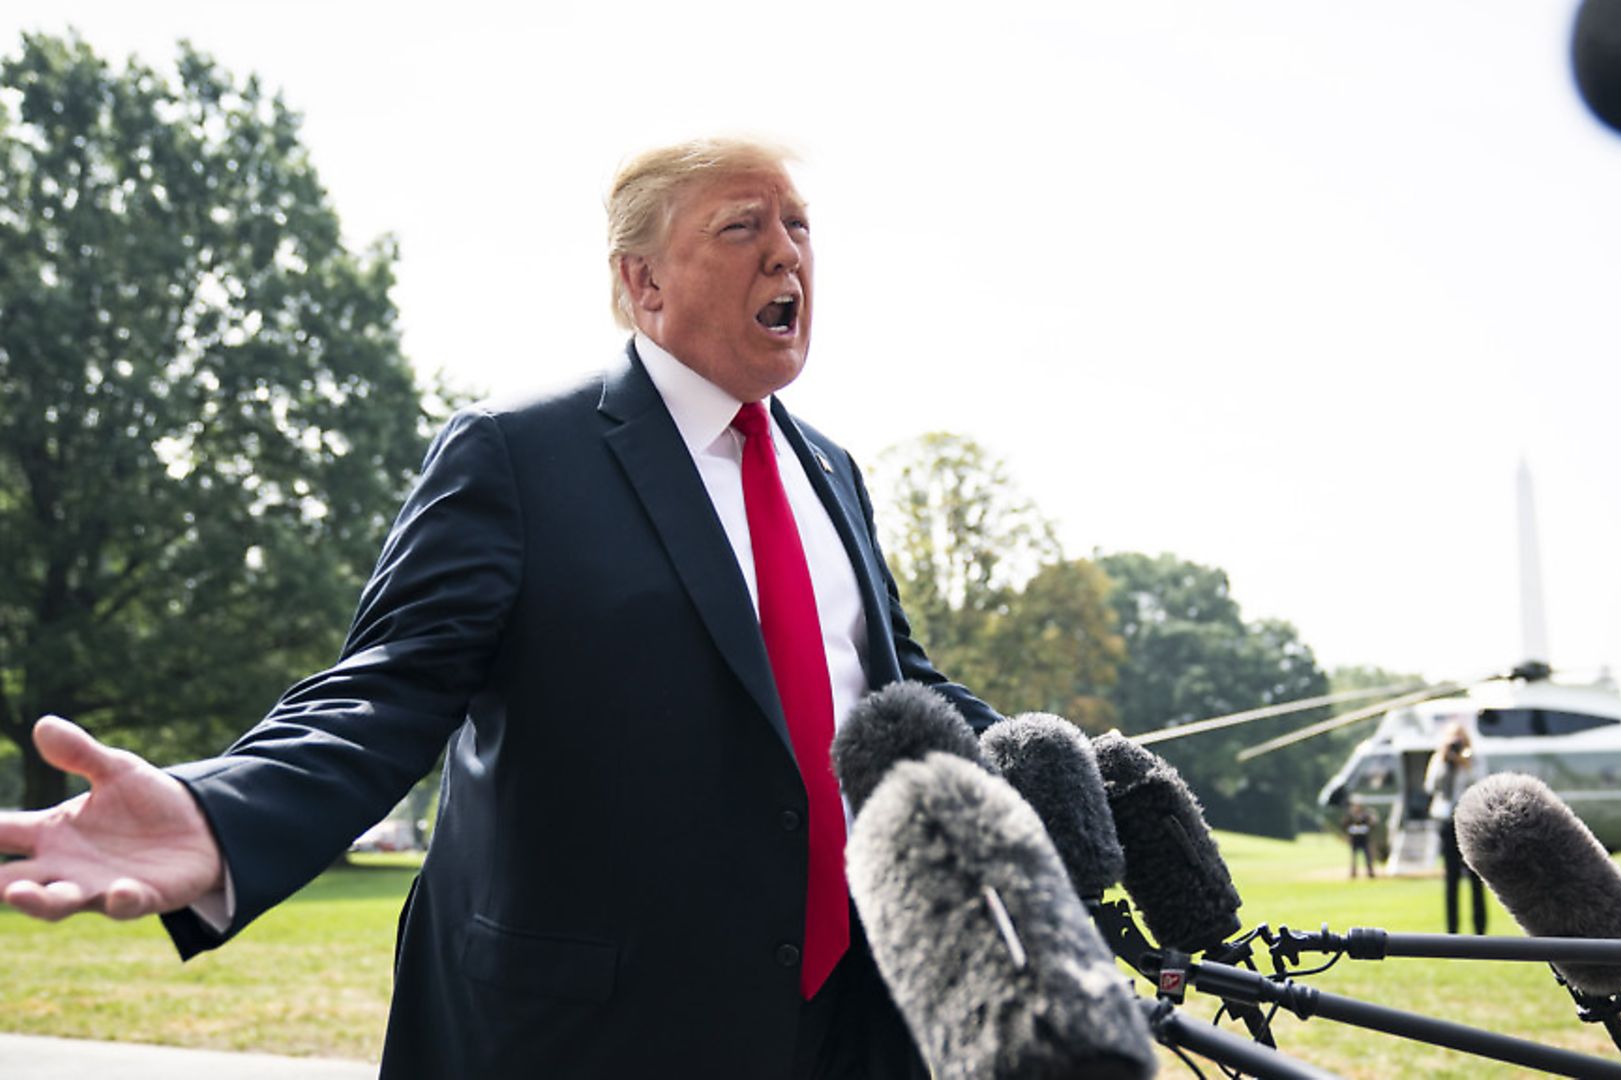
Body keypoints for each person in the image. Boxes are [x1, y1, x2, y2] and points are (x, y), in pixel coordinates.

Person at [0, 137, 1002, 1079]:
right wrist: (218, 812)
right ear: (641, 281)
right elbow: (386, 693)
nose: (786, 251)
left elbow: (898, 687)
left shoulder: (831, 471)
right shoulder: (518, 456)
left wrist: (1073, 764)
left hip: (839, 1026)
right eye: (744, 226)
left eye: (798, 223)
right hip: (588, 1035)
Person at [1424, 721, 1487, 935]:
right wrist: (1445, 763)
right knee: (1451, 877)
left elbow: (1481, 783)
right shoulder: (1439, 760)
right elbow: (1431, 787)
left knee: (1475, 875)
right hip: (1447, 821)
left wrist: (1464, 764)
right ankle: (1452, 930)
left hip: (1470, 819)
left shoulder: (1474, 758)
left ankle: (1480, 929)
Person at [1341, 798, 1377, 879]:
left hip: (1364, 840)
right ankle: (1353, 873)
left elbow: (1372, 826)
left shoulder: (1366, 815)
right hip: (1354, 840)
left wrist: (1373, 820)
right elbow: (1344, 825)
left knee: (1368, 857)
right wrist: (1347, 835)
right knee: (1353, 858)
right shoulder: (1350, 816)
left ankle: (1370, 873)